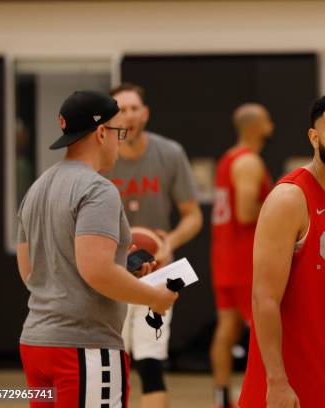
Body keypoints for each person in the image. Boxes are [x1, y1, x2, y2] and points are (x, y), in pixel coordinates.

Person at [17, 90, 178, 407]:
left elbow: (31, 271)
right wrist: (155, 297)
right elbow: (96, 270)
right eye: (120, 132)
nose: (122, 140)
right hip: (83, 348)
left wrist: (122, 270)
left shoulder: (37, 187)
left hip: (36, 345)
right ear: (102, 132)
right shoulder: (97, 189)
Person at [239, 92, 325, 408]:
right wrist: (276, 380)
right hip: (293, 372)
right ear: (315, 137)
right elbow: (264, 299)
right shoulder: (289, 198)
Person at [106, 83, 203, 408]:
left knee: (151, 365)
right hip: (110, 270)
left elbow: (193, 216)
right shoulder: (101, 155)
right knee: (112, 363)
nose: (129, 115)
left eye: (134, 108)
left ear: (145, 113)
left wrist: (168, 241)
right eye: (121, 109)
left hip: (158, 269)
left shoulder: (170, 152)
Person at [210, 103, 274, 408]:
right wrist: (284, 209)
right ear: (255, 126)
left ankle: (222, 396)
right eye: (266, 119)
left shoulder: (227, 159)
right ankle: (259, 393)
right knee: (263, 330)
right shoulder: (249, 162)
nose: (271, 124)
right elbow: (247, 212)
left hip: (224, 255)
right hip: (245, 259)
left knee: (227, 328)